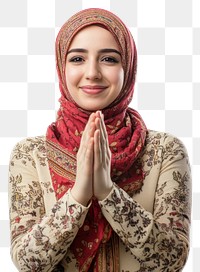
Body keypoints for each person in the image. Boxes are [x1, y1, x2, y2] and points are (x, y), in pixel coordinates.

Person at [8, 8, 191, 272]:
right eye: (78, 58)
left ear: (127, 67)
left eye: (108, 59)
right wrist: (80, 194)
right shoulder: (30, 155)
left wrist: (107, 192)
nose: (92, 72)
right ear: (61, 66)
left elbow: (172, 260)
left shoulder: (165, 151)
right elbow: (28, 263)